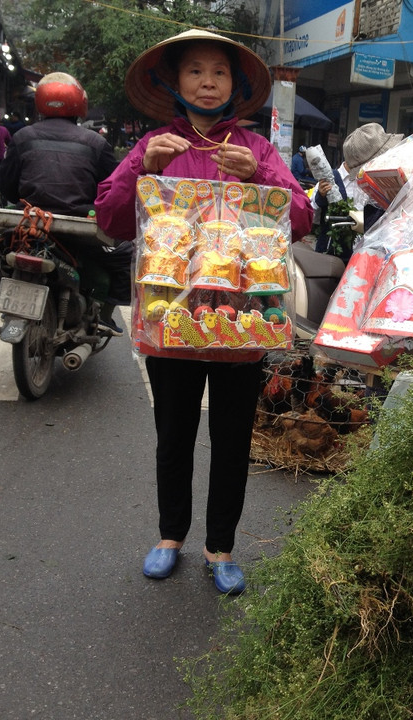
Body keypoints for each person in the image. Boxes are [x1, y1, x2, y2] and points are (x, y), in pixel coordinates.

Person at [94, 29, 313, 594]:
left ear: (235, 86)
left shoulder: (257, 150)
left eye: (219, 72)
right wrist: (141, 164)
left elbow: (301, 217)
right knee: (174, 433)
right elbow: (111, 219)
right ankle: (171, 537)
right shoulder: (156, 145)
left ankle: (222, 548)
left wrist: (259, 175)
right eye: (195, 70)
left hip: (241, 322)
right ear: (174, 81)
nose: (208, 82)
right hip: (170, 319)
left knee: (233, 437)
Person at [0, 72, 130, 335]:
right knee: (125, 255)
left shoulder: (22, 138)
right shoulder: (96, 142)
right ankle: (104, 315)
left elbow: (8, 189)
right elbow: (113, 191)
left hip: (31, 224)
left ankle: (4, 300)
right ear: (80, 104)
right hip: (79, 229)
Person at [312, 122, 402, 259]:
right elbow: (310, 217)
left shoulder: (379, 179)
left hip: (367, 259)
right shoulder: (330, 181)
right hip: (332, 262)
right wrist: (320, 197)